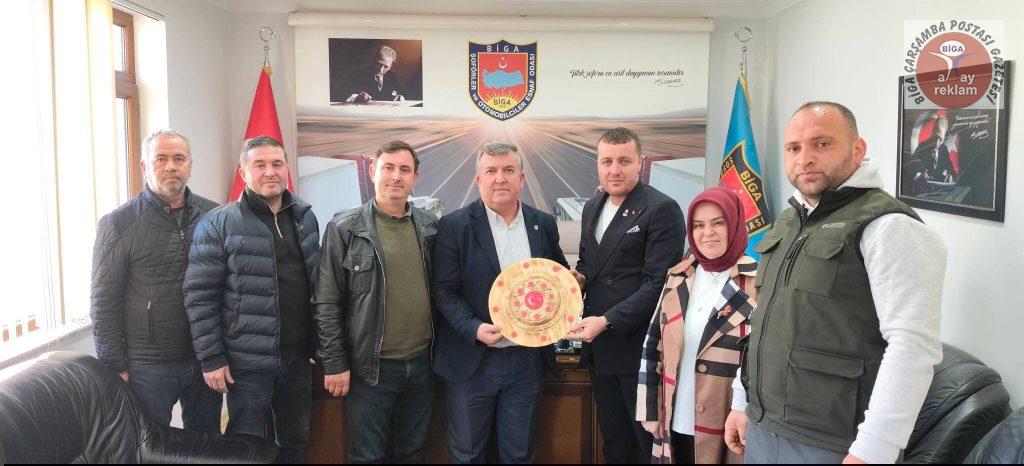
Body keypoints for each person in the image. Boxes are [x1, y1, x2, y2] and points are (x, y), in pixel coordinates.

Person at [726, 102, 946, 464]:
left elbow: (912, 345)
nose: (805, 158)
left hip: (834, 444)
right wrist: (741, 400)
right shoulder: (789, 221)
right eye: (794, 148)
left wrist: (874, 450)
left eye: (822, 144)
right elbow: (764, 319)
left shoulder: (891, 227)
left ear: (857, 149)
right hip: (764, 427)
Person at [185, 136, 320, 464]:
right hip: (246, 365)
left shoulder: (305, 217)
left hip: (297, 359)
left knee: (296, 443)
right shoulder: (218, 223)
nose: (270, 172)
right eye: (260, 165)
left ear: (286, 169)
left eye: (277, 164)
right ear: (244, 172)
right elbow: (200, 296)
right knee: (247, 448)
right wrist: (211, 359)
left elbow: (317, 287)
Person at [432, 142, 570, 464]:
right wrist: (474, 328)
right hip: (472, 363)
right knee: (468, 456)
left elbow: (558, 276)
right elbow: (444, 291)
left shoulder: (543, 223)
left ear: (521, 178)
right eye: (491, 171)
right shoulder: (454, 226)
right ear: (478, 179)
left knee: (519, 456)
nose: (500, 178)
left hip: (526, 363)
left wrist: (572, 283)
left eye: (508, 170)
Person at [313, 140, 438, 463]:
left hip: (422, 367)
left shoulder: (430, 227)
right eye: (388, 168)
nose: (396, 176)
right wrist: (334, 363)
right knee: (367, 456)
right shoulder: (344, 229)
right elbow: (326, 302)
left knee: (412, 453)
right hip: (370, 371)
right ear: (372, 172)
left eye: (404, 170)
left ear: (415, 177)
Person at [90, 129, 221, 433]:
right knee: (147, 446)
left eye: (179, 158)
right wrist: (114, 366)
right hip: (148, 365)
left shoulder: (215, 215)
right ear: (144, 166)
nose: (171, 166)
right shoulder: (118, 224)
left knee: (208, 445)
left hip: (205, 358)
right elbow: (103, 301)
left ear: (190, 165)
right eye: (160, 159)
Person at [569, 127, 685, 464]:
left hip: (638, 350)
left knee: (646, 447)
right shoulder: (592, 206)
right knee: (615, 444)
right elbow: (588, 264)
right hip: (600, 349)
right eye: (607, 161)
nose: (614, 170)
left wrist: (606, 321)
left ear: (641, 162)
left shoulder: (661, 209)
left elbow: (658, 285)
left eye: (624, 161)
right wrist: (577, 279)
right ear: (598, 164)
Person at [636, 187, 757, 464]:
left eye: (718, 222)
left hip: (728, 421)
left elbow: (762, 359)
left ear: (734, 224)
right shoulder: (679, 276)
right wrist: (649, 408)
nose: (707, 233)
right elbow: (653, 343)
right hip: (674, 416)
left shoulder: (757, 281)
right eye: (698, 225)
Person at [338, 45, 406, 104]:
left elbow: (406, 96)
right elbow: (338, 94)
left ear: (390, 66)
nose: (381, 69)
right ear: (372, 60)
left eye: (386, 67)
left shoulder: (392, 77)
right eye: (379, 64)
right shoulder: (355, 74)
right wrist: (355, 97)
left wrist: (401, 97)